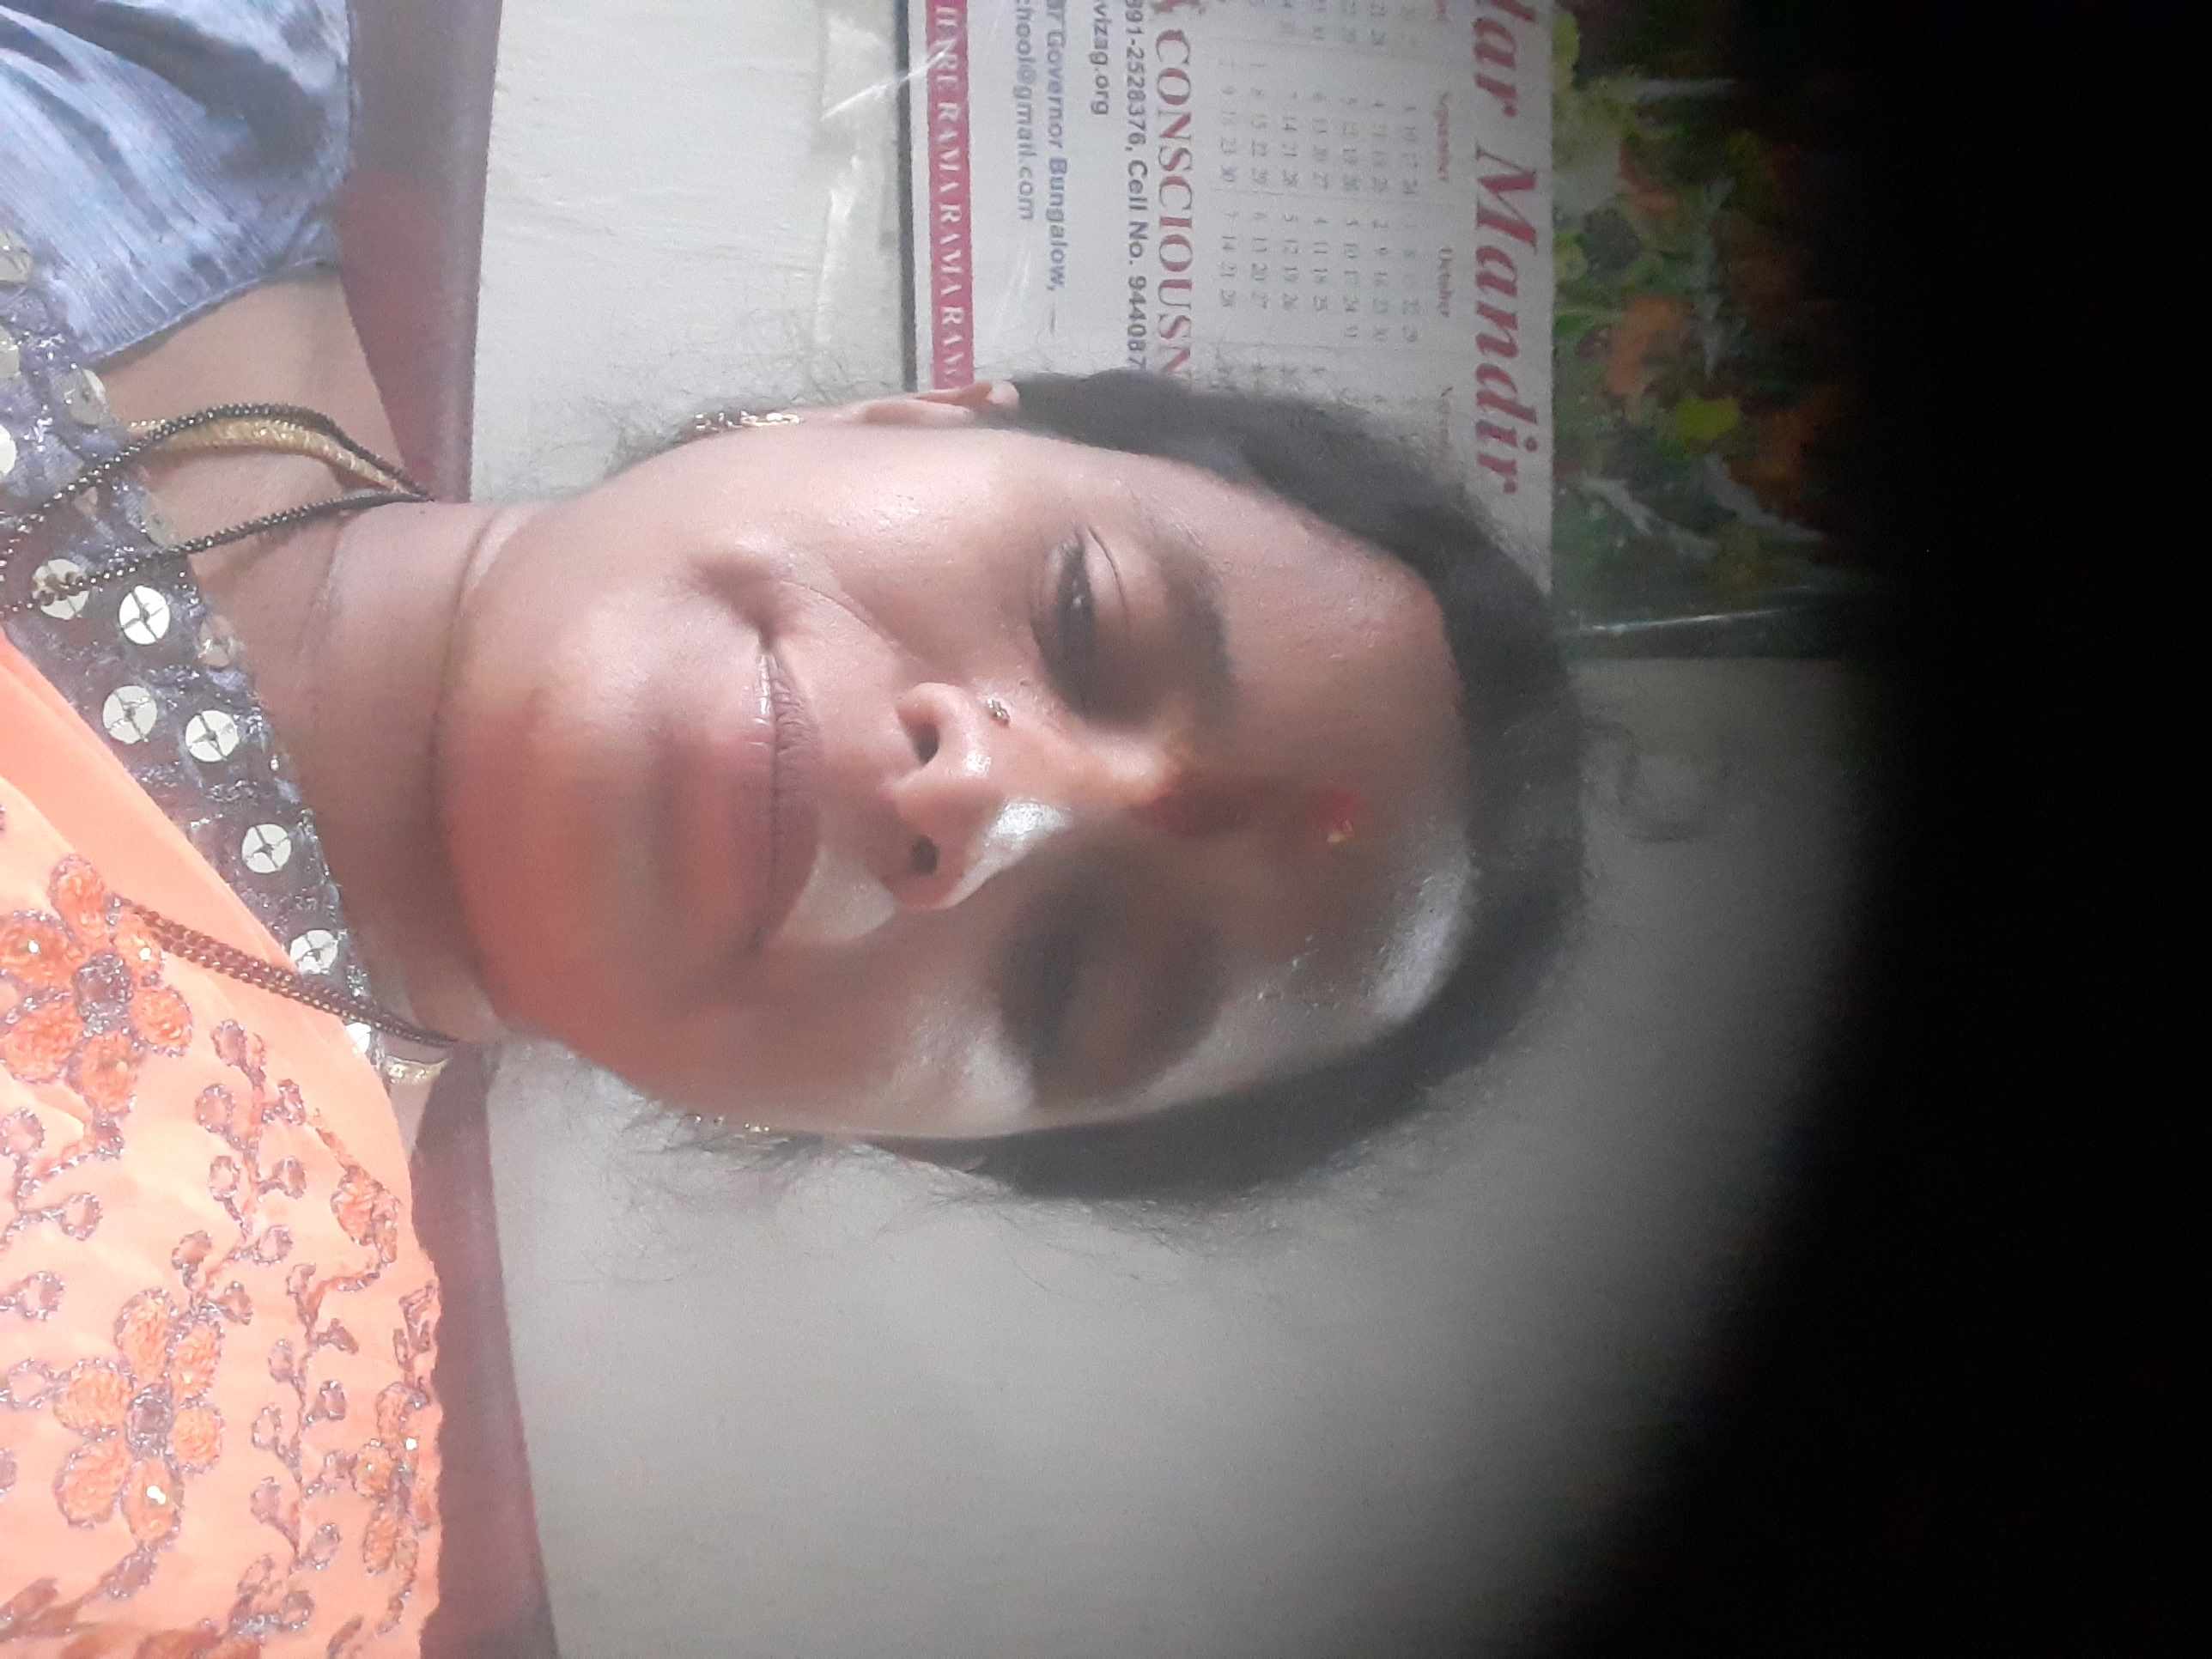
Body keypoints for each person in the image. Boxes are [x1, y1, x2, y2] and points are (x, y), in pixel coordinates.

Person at [3, 0, 1578, 1648]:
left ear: (885, 1132)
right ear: (907, 415)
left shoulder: (210, 1506)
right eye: (1083, 619)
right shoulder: (170, 59)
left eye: (1068, 978)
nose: (982, 803)